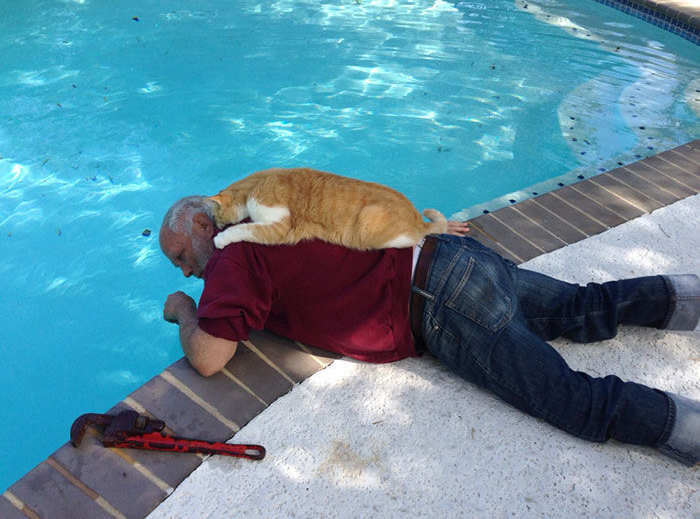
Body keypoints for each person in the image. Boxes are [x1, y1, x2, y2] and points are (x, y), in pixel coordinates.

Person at [159, 195, 700, 466]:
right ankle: (689, 295)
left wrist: (185, 310)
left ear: (205, 226)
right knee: (583, 307)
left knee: (575, 402)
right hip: (450, 255)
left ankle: (689, 427)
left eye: (181, 255)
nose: (185, 270)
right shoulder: (269, 206)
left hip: (442, 301)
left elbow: (209, 358)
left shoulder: (232, 257)